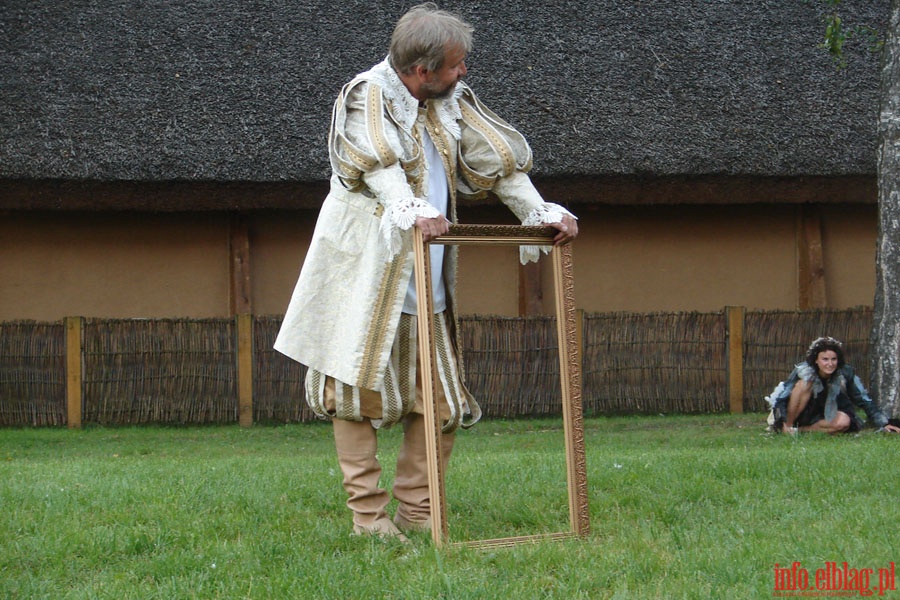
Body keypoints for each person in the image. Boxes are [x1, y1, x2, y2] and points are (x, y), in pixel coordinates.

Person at [274, 3, 578, 540]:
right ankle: (369, 519)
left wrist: (539, 211)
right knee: (353, 395)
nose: (464, 73)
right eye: (456, 64)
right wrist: (408, 206)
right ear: (422, 69)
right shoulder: (367, 95)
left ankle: (418, 512)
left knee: (441, 403)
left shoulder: (451, 101)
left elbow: (498, 165)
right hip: (366, 276)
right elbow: (375, 162)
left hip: (428, 277)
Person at [766, 336, 899, 434]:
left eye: (833, 359)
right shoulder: (803, 371)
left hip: (825, 414)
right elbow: (783, 396)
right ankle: (786, 427)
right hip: (800, 412)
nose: (830, 364)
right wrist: (782, 420)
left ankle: (798, 432)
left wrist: (884, 423)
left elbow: (863, 399)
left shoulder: (845, 373)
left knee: (844, 422)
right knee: (804, 384)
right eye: (825, 359)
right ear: (816, 360)